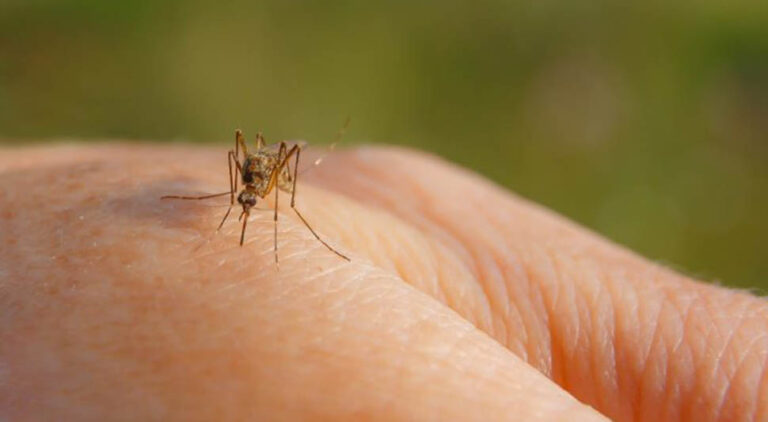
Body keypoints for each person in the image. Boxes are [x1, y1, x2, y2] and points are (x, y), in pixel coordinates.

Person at [1, 144, 765, 421]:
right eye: (246, 192)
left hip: (285, 184)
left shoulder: (266, 183)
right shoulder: (238, 184)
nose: (243, 202)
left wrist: (279, 204)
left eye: (247, 193)